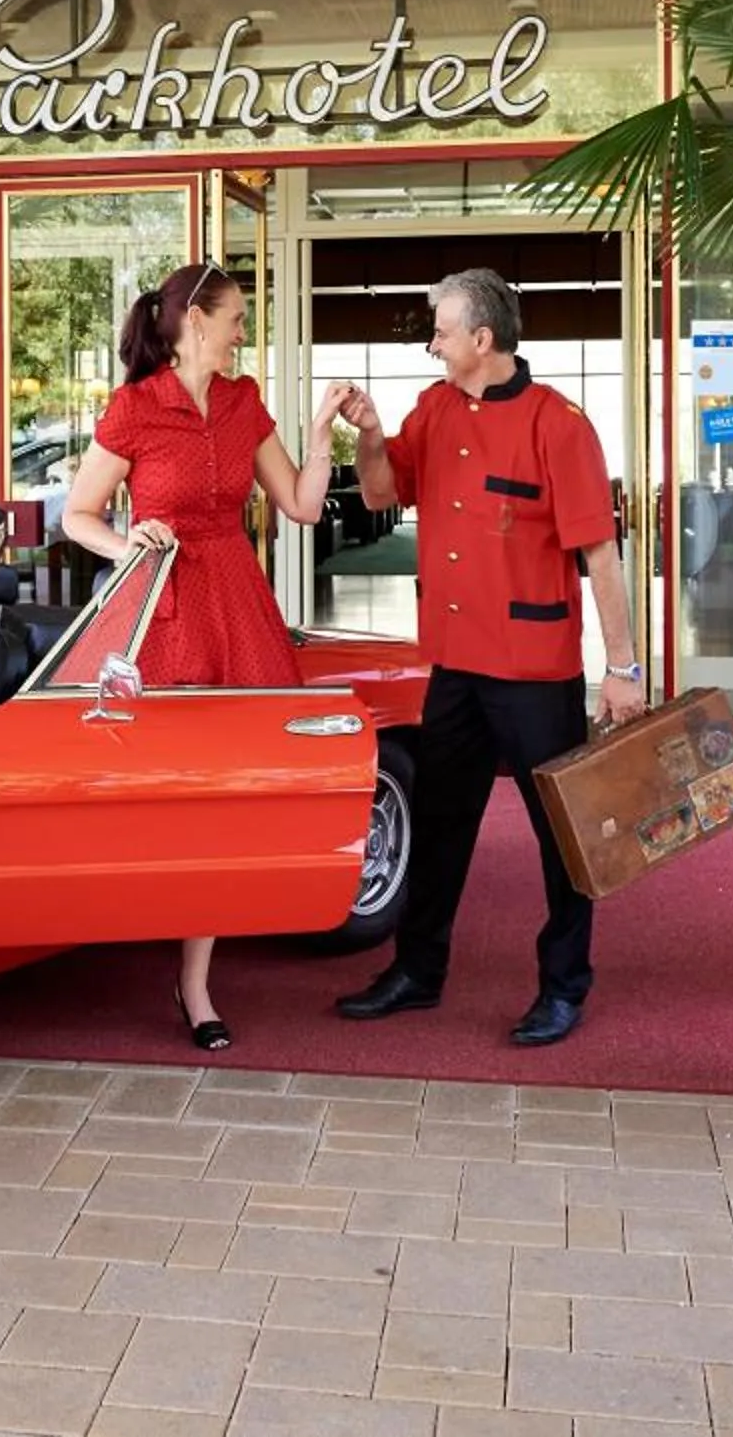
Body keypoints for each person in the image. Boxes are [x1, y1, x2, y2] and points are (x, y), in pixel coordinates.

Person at [331, 268, 646, 1048]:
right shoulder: (433, 408)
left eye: (440, 326)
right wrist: (369, 434)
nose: (430, 339)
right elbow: (378, 495)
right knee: (440, 825)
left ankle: (565, 985)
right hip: (456, 666)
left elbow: (601, 556)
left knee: (560, 834)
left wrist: (625, 667)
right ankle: (417, 972)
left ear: (482, 338)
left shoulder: (560, 424)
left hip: (536, 670)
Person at [60, 261, 349, 1053]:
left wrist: (322, 432)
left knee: (225, 797)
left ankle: (195, 981)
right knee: (159, 794)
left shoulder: (243, 401)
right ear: (194, 320)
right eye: (235, 318)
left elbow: (300, 504)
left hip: (237, 607)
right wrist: (130, 543)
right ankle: (117, 931)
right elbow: (80, 515)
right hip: (160, 609)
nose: (242, 331)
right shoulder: (135, 408)